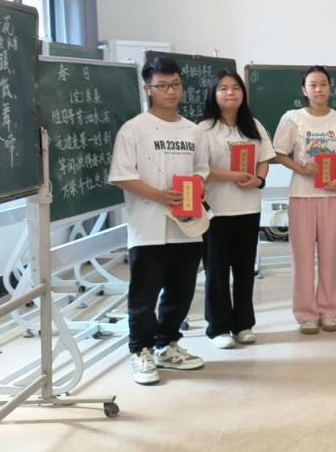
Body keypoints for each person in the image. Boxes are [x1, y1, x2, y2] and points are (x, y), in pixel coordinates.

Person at [109, 57, 209, 385]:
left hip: (186, 225)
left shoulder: (193, 130)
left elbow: (201, 169)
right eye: (162, 85)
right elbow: (122, 177)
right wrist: (159, 196)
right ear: (147, 88)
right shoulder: (134, 129)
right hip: (147, 226)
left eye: (175, 84)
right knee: (144, 294)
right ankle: (141, 350)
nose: (170, 91)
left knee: (181, 291)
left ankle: (168, 345)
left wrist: (197, 186)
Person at [273, 66, 336, 334]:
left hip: (333, 195)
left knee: (330, 256)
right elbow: (279, 153)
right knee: (303, 258)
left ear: (330, 87)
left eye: (323, 84)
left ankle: (328, 311)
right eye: (313, 84)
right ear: (304, 89)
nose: (319, 89)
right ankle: (306, 314)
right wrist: (300, 168)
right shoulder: (293, 119)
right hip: (302, 195)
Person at [196, 70, 274, 349]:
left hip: (248, 207)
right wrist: (234, 175)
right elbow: (200, 168)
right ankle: (218, 328)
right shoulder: (204, 129)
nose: (230, 93)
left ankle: (243, 324)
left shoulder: (253, 125)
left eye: (236, 88)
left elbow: (265, 158)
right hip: (217, 211)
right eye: (223, 88)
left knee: (244, 269)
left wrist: (259, 179)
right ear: (213, 94)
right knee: (216, 271)